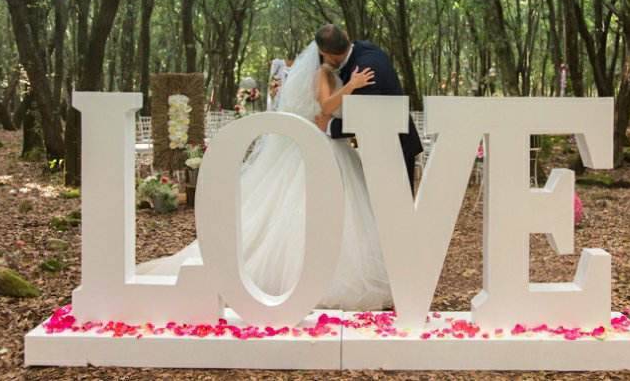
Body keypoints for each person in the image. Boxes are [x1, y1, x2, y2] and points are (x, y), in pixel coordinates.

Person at [137, 39, 391, 311]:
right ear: (324, 55)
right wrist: (352, 86)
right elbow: (325, 108)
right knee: (312, 210)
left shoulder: (327, 73)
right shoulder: (323, 74)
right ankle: (310, 277)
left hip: (329, 144)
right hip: (323, 146)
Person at [313, 24, 423, 193]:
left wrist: (329, 126)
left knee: (395, 207)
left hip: (393, 146)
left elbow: (366, 120)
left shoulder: (364, 71)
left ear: (327, 54)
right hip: (384, 142)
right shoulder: (365, 48)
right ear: (346, 36)